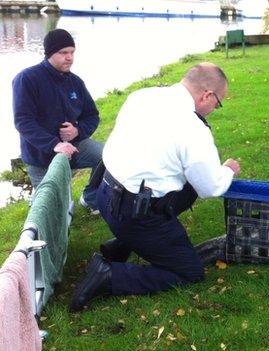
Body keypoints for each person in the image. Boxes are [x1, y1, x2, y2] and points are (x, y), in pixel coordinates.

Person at [69, 63, 240, 312]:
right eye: (217, 103)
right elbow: (210, 187)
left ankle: (124, 243)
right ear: (207, 95)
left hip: (104, 195)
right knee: (189, 272)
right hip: (133, 213)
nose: (214, 109)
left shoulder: (142, 96)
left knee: (182, 187)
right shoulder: (192, 128)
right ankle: (109, 275)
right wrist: (227, 171)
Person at [13, 28, 103, 213]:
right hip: (41, 157)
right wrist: (55, 144)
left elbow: (92, 115)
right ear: (49, 54)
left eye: (72, 52)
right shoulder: (27, 79)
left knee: (109, 157)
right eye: (63, 53)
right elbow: (23, 121)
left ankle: (90, 198)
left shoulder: (76, 82)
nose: (69, 57)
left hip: (74, 148)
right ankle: (43, 200)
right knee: (62, 211)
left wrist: (78, 130)